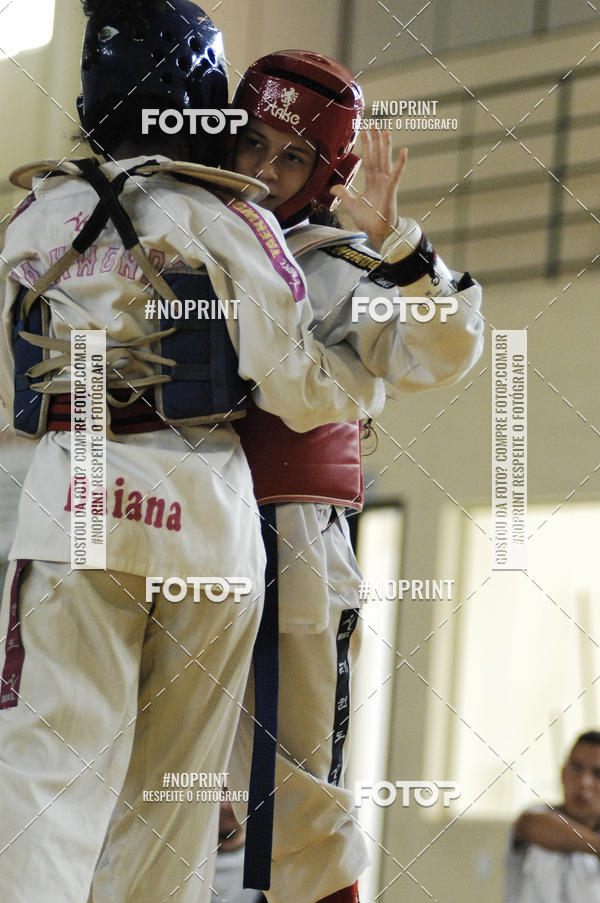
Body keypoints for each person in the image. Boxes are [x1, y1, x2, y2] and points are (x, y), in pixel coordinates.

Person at [0, 6, 384, 903]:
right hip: (205, 512)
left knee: (49, 768)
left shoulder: (32, 218)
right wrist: (359, 387)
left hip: (79, 492)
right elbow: (298, 385)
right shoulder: (226, 221)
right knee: (171, 796)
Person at [223, 50, 485, 903]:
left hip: (287, 536)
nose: (263, 170)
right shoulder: (177, 228)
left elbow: (446, 352)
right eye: (252, 143)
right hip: (166, 525)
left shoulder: (342, 264)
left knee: (294, 801)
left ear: (326, 170)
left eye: (290, 155)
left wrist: (399, 246)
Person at [504, 731, 600, 902]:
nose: (584, 782)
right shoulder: (536, 817)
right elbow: (530, 825)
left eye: (598, 774)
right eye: (576, 768)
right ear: (563, 774)